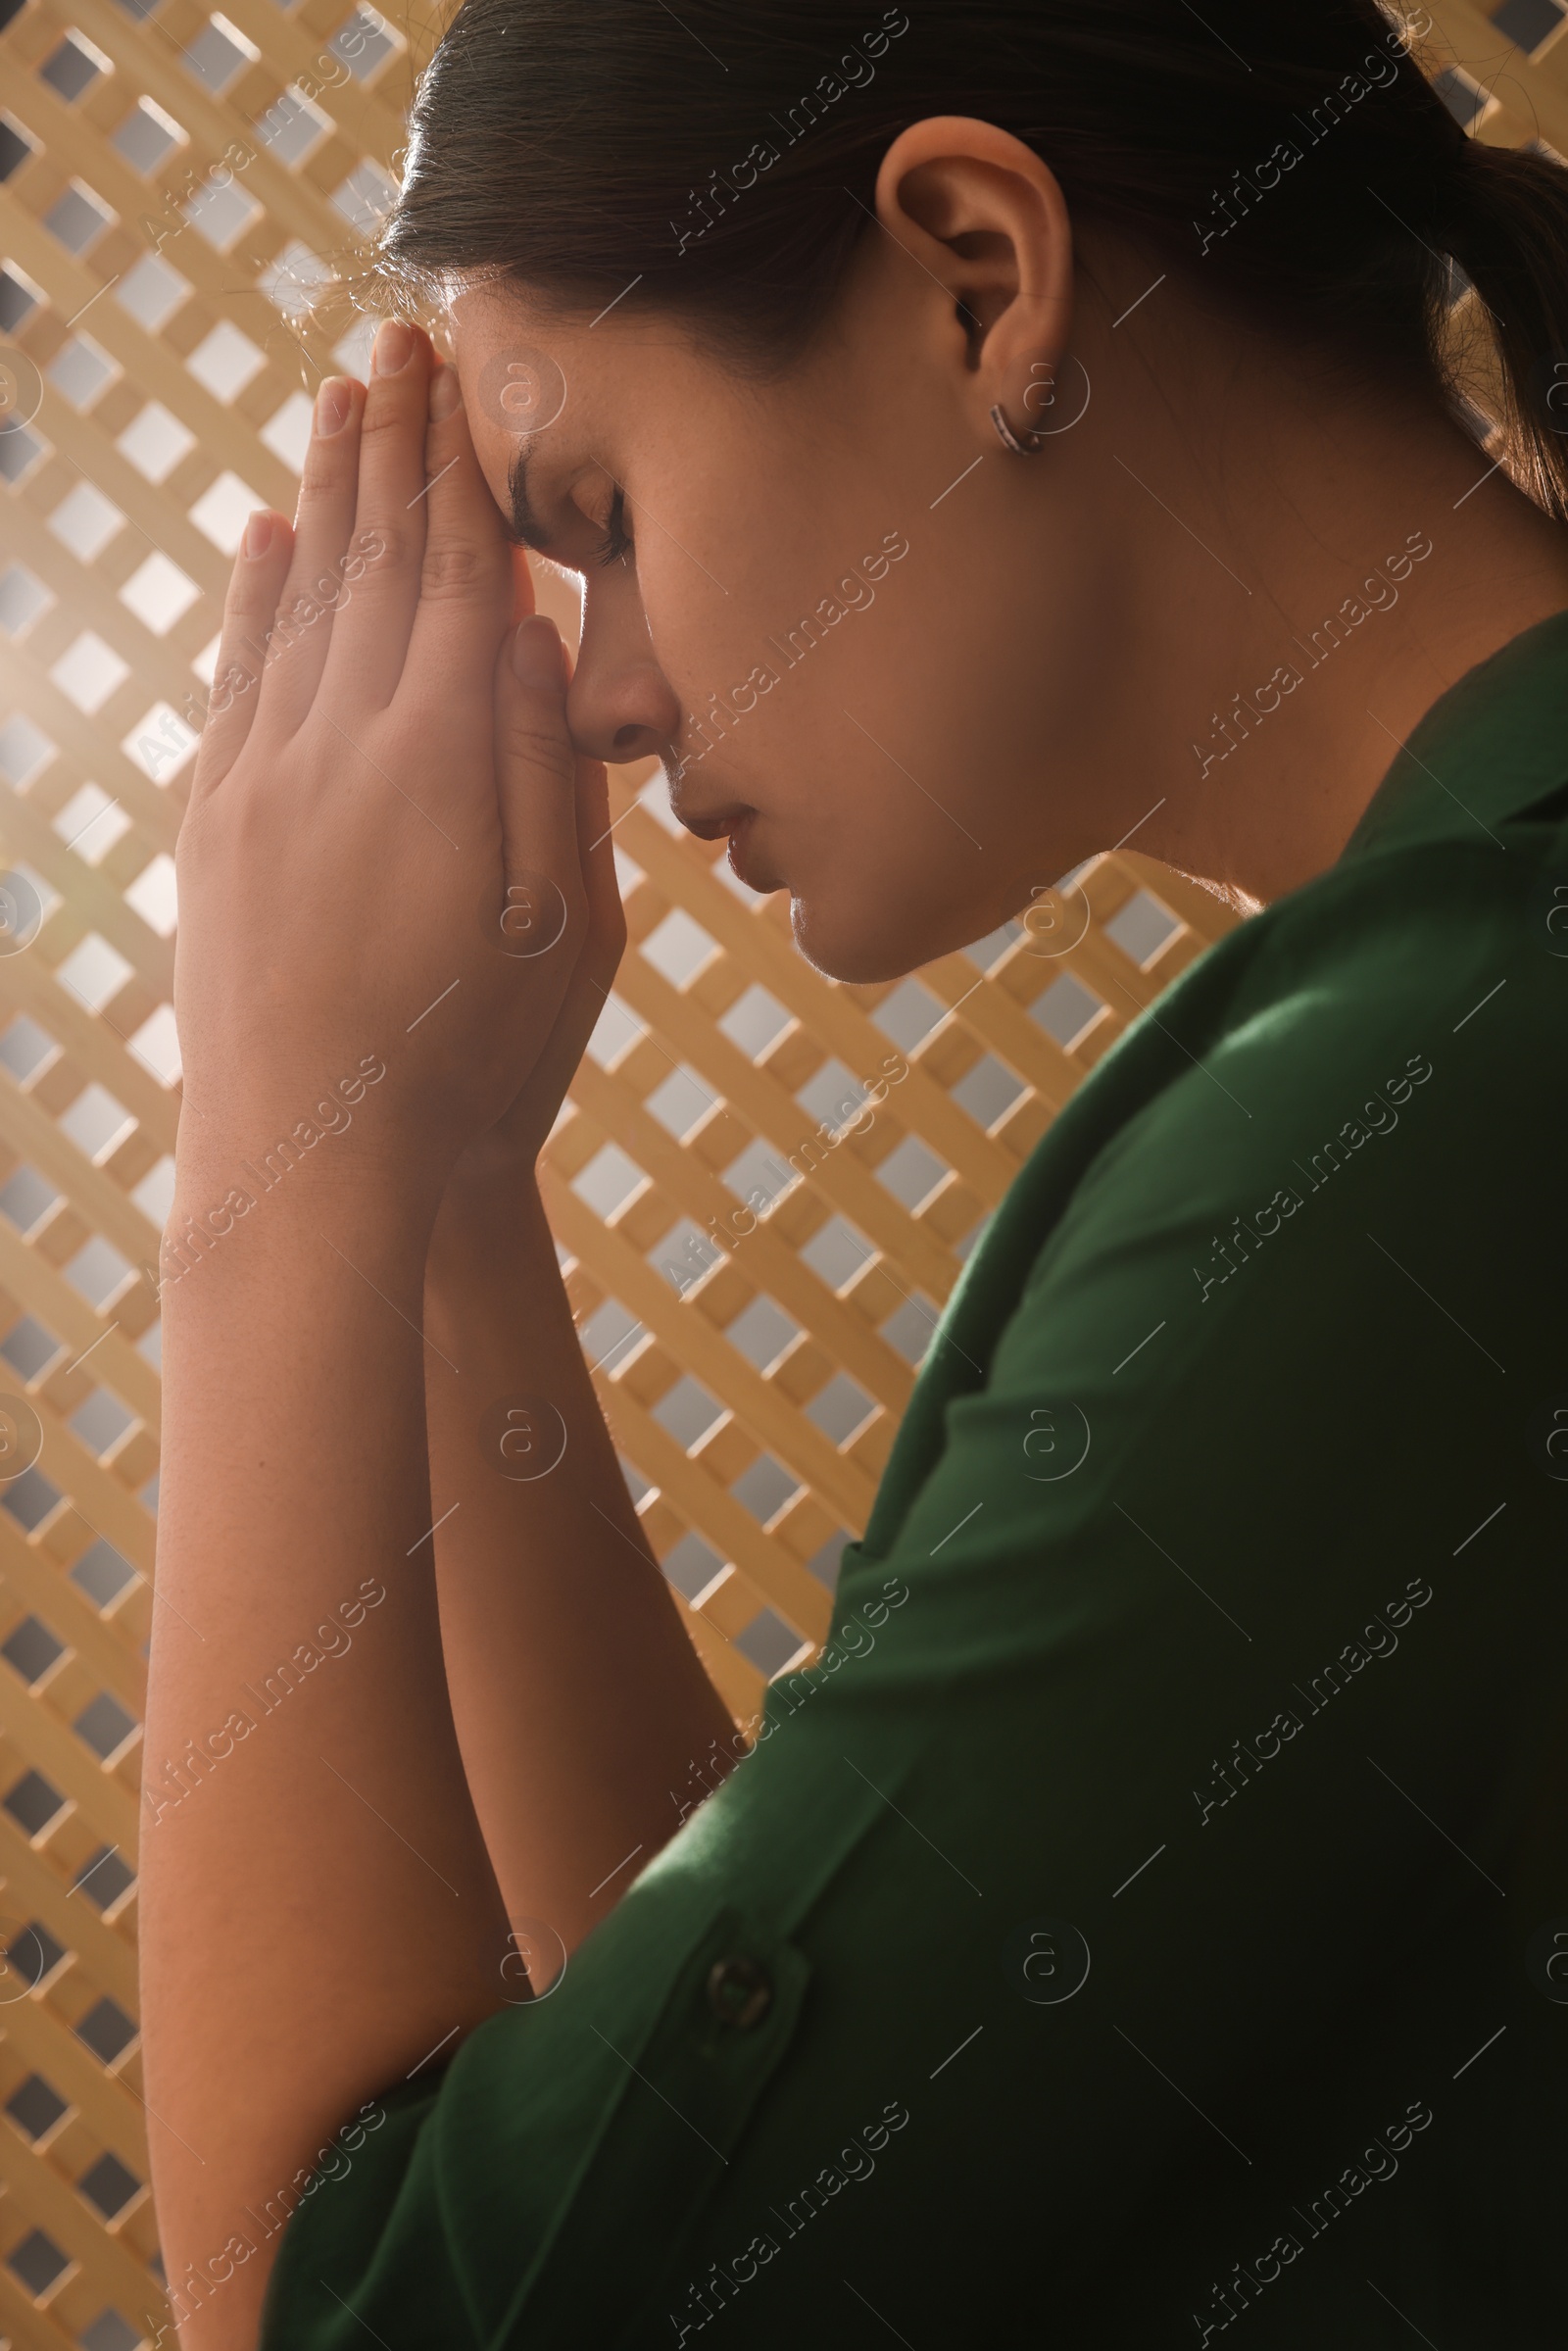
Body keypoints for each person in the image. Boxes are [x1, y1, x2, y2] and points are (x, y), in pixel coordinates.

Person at [138, 2, 1568, 2343]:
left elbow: (371, 2314)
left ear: (978, 279)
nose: (595, 686)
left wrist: (271, 1158)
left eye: (596, 517)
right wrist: (453, 1200)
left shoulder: (1426, 1106)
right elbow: (785, 2166)